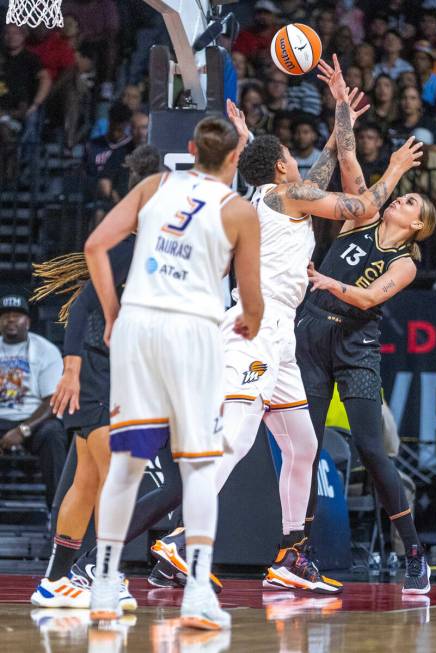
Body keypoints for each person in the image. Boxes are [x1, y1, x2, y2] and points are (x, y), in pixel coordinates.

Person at [146, 85, 421, 592]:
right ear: (279, 169)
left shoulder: (277, 194)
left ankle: (293, 556)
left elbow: (323, 167)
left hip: (282, 337)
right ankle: (180, 540)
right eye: (290, 155)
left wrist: (341, 109)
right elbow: (360, 203)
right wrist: (397, 169)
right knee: (235, 439)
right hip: (256, 329)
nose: (299, 160)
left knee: (302, 444)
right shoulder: (290, 196)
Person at [85, 115, 264, 629]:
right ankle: (196, 596)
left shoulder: (153, 184)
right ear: (234, 159)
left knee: (128, 464)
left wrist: (115, 314)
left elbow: (96, 245)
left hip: (138, 326)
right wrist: (249, 324)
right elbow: (251, 303)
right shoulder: (237, 210)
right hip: (192, 332)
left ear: (189, 150)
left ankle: (102, 585)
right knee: (198, 466)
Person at [296, 56, 436, 595]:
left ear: (417, 224)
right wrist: (339, 106)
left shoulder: (407, 263)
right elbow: (350, 161)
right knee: (304, 446)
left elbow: (372, 296)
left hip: (357, 345)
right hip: (310, 333)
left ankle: (414, 551)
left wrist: (331, 283)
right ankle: (299, 552)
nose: (401, 197)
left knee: (373, 450)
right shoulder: (361, 217)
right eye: (403, 193)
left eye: (410, 201)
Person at [29, 145, 162, 611]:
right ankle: (105, 577)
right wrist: (71, 368)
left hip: (109, 370)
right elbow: (83, 304)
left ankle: (54, 582)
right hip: (100, 370)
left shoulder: (151, 248)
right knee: (112, 477)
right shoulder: (128, 247)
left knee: (86, 480)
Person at [0, 294, 67, 512]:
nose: (11, 319)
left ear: (28, 322)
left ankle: (57, 515)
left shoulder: (45, 350)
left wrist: (22, 430)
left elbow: (52, 402)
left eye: (17, 315)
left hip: (32, 420)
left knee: (54, 432)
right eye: (5, 315)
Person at [291, 114, 322, 180]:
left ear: (314, 135)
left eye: (305, 132)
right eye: (297, 132)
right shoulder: (290, 158)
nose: (301, 136)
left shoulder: (321, 159)